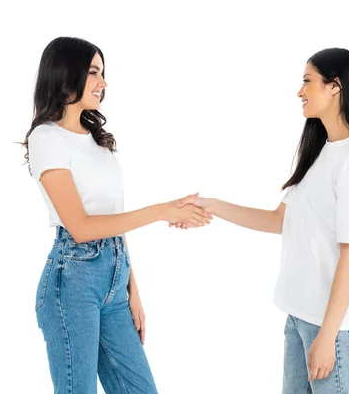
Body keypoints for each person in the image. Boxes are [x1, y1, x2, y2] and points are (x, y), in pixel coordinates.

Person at [173, 48, 349, 393]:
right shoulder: (319, 154)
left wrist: (328, 336)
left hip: (332, 328)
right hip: (300, 317)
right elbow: (278, 220)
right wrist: (211, 205)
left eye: (307, 81)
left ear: (336, 87)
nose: (299, 91)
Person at [22, 36, 212, 394]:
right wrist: (161, 211)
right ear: (67, 74)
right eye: (94, 73)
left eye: (103, 73)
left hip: (115, 278)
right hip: (73, 281)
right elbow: (80, 227)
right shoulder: (47, 138)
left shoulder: (97, 140)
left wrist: (131, 288)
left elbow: (112, 218)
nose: (103, 83)